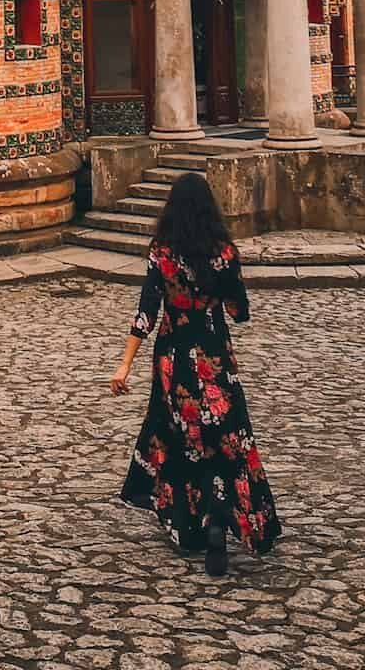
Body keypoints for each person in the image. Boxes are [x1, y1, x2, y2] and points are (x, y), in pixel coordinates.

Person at [111, 172, 281, 577]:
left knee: (181, 441)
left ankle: (190, 526)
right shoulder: (224, 253)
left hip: (173, 362)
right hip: (214, 357)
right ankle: (222, 517)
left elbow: (146, 312)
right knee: (227, 440)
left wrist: (124, 364)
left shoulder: (163, 253)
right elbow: (240, 313)